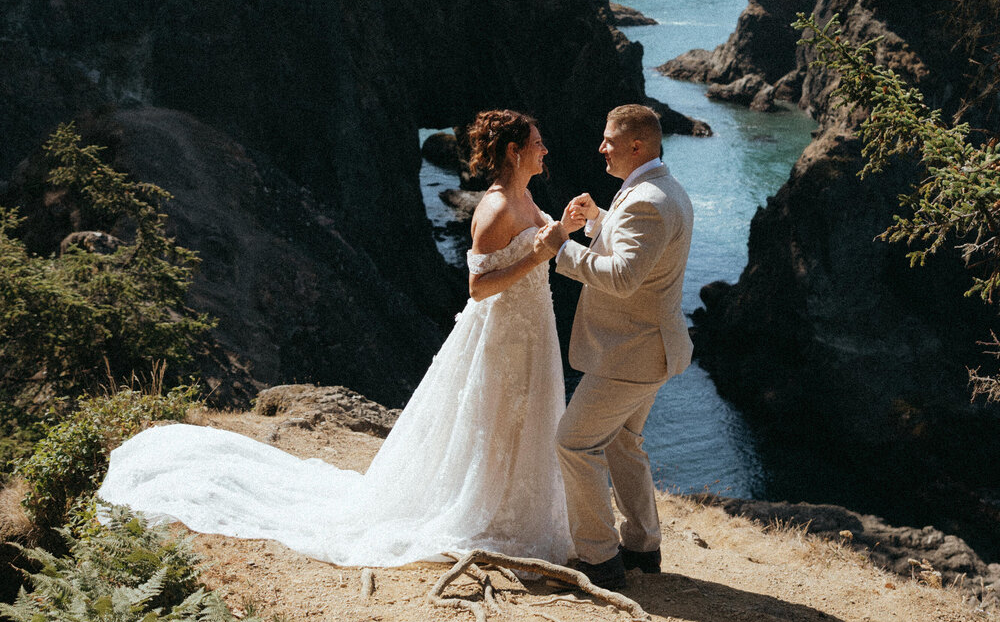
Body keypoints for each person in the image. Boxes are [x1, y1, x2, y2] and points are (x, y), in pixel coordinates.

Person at [98, 110, 573, 568]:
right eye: (536, 144)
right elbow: (478, 288)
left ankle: (514, 510)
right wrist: (537, 256)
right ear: (514, 152)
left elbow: (543, 243)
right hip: (503, 334)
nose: (544, 150)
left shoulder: (527, 198)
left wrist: (569, 228)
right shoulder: (493, 208)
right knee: (492, 419)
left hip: (531, 326)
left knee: (522, 418)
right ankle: (483, 512)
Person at [544, 103, 694, 590]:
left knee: (575, 442)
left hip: (629, 354)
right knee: (625, 443)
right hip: (653, 347)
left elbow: (625, 277)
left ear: (636, 146)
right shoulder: (665, 189)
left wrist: (560, 250)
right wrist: (600, 220)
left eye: (609, 140)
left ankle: (598, 560)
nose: (601, 147)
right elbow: (643, 247)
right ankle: (642, 548)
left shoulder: (648, 200)